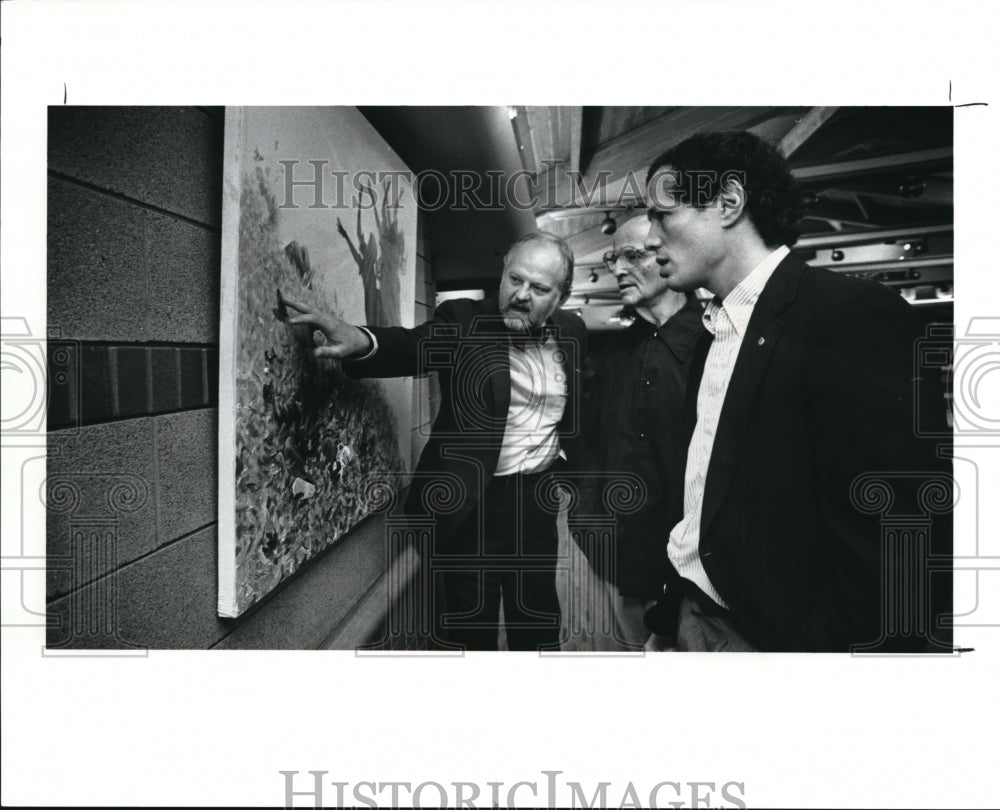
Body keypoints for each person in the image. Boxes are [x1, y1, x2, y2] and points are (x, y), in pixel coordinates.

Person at [641, 130, 951, 652]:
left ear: (728, 203)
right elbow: (702, 501)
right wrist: (673, 619)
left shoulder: (849, 316)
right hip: (696, 618)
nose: (650, 238)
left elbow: (899, 543)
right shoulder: (710, 331)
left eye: (662, 214)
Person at [282, 231, 586, 651]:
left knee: (537, 617)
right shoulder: (463, 321)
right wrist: (361, 341)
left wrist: (565, 467)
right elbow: (413, 345)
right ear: (503, 274)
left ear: (561, 298)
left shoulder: (573, 331)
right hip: (472, 504)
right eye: (515, 279)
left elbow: (580, 403)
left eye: (539, 288)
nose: (521, 294)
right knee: (470, 628)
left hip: (536, 500)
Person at [572, 214, 704, 650]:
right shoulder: (617, 352)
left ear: (669, 254)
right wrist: (586, 519)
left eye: (631, 255)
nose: (616, 269)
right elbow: (593, 444)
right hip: (615, 565)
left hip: (690, 578)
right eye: (612, 258)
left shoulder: (715, 345)